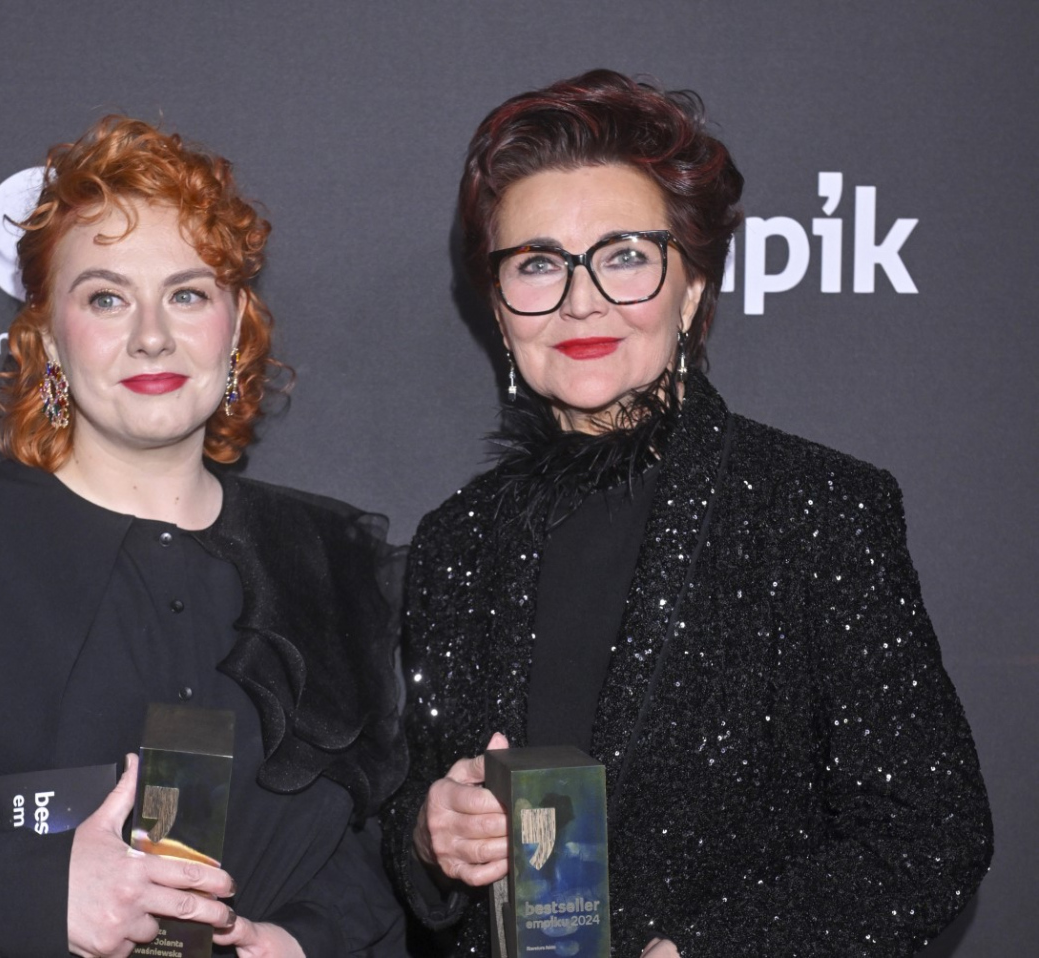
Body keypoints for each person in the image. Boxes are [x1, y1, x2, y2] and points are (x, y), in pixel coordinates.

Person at [380, 70, 992, 958]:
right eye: (538, 263)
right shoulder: (456, 542)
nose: (581, 299)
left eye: (625, 255)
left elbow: (928, 838)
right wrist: (431, 834)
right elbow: (409, 806)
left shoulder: (815, 511)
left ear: (693, 286)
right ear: (501, 310)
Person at [0, 116, 407, 958]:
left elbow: (375, 835)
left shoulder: (329, 560)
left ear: (237, 326)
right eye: (107, 297)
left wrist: (302, 940)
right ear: (46, 342)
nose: (152, 335)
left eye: (187, 294)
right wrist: (40, 890)